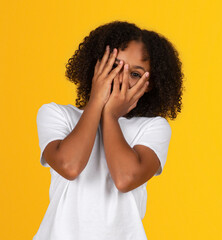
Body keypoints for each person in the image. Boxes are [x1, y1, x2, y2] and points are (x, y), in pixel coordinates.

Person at [34, 20, 184, 240]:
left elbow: (125, 179)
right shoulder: (56, 114)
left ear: (148, 84)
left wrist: (111, 116)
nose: (121, 78)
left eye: (135, 74)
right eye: (115, 65)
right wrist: (97, 101)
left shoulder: (153, 127)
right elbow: (70, 166)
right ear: (97, 65)